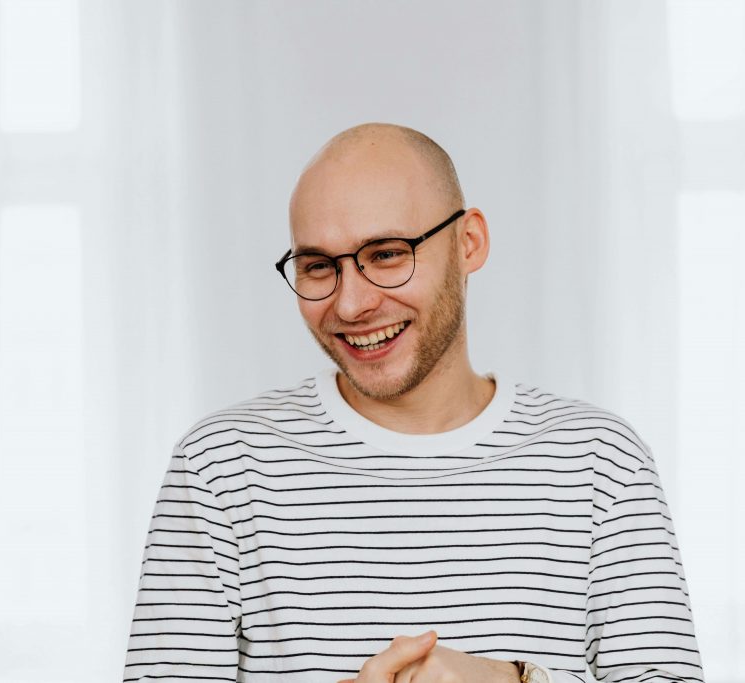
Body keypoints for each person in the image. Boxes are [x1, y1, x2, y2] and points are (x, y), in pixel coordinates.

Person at [123, 123, 703, 683]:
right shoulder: (221, 465)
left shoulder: (600, 460)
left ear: (469, 242)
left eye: (386, 254)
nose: (351, 305)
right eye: (318, 266)